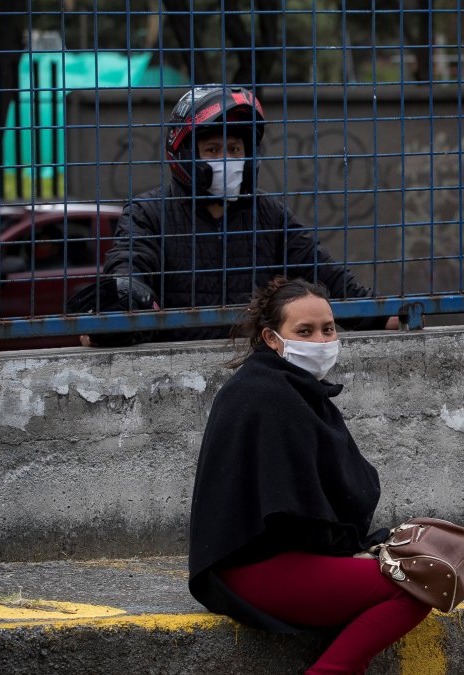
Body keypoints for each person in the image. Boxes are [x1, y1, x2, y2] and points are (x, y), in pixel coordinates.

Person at [188, 277, 430, 673]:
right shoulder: (266, 395)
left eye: (328, 329)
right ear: (271, 337)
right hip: (256, 568)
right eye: (305, 331)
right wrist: (354, 549)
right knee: (421, 583)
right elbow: (289, 514)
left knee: (418, 562)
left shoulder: (292, 388)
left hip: (283, 558)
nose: (320, 341)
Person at [83, 84, 395, 346]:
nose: (226, 160)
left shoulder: (267, 213)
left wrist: (387, 315)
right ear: (186, 154)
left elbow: (326, 276)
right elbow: (128, 269)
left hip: (251, 365)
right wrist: (120, 303)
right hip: (173, 366)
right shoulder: (148, 213)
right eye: (212, 151)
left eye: (234, 149)